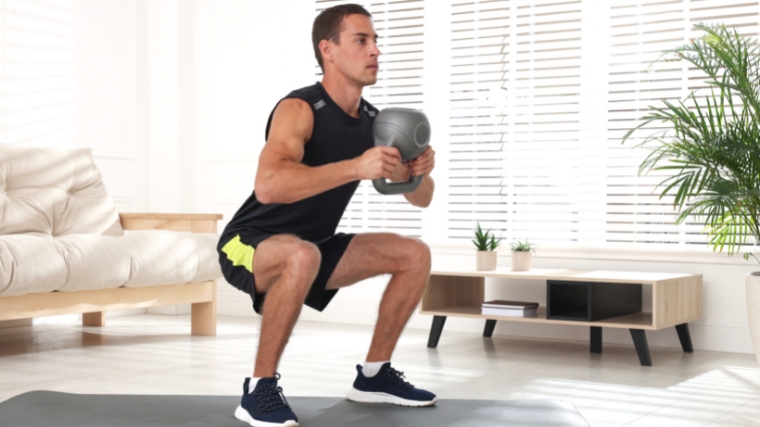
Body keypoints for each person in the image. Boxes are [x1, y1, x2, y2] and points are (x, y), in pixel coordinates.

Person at [217, 4, 437, 426]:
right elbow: (269, 185)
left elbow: (422, 198)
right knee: (301, 256)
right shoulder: (299, 108)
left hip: (314, 246)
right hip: (249, 243)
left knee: (415, 254)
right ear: (328, 49)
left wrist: (418, 172)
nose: (375, 50)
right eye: (361, 40)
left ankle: (373, 376)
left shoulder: (375, 121)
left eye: (376, 41)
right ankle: (257, 389)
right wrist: (357, 167)